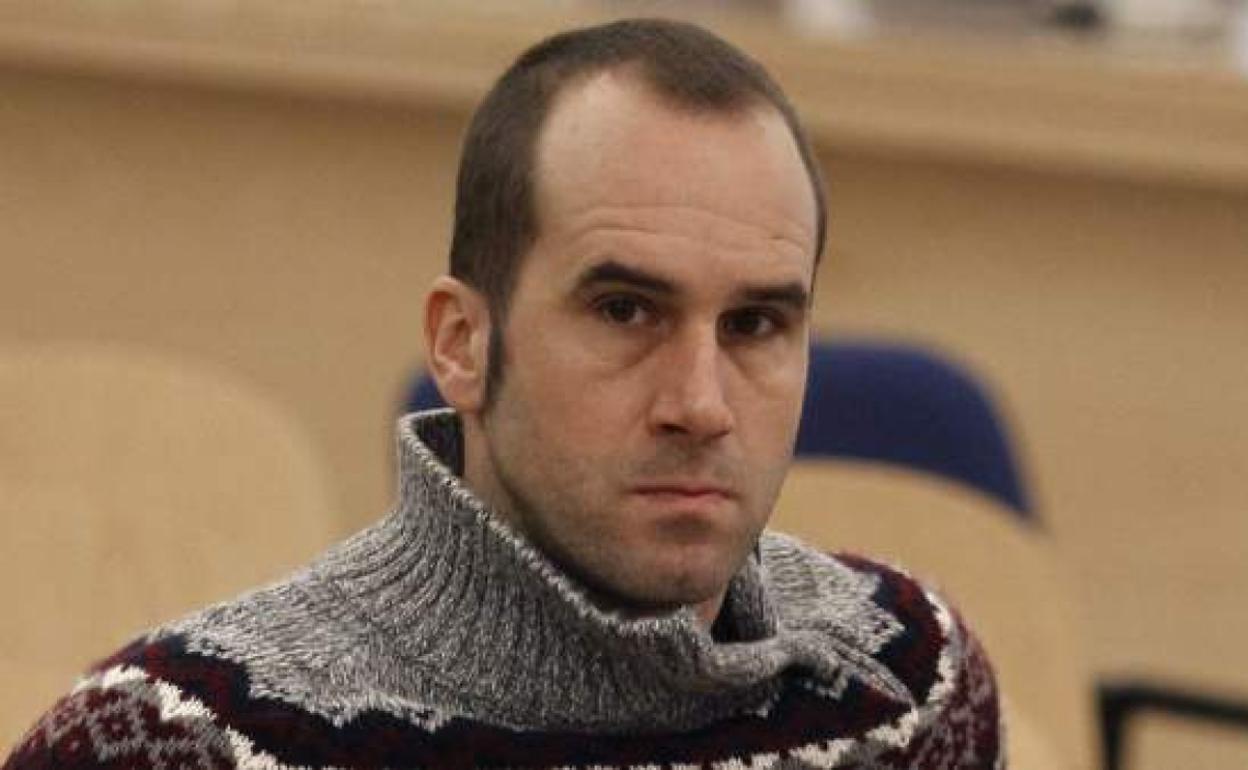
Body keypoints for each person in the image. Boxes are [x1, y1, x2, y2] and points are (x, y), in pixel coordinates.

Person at [3, 18, 1003, 770]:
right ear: (462, 344)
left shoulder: (911, 686)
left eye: (755, 324)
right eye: (625, 310)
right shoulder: (180, 741)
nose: (701, 403)